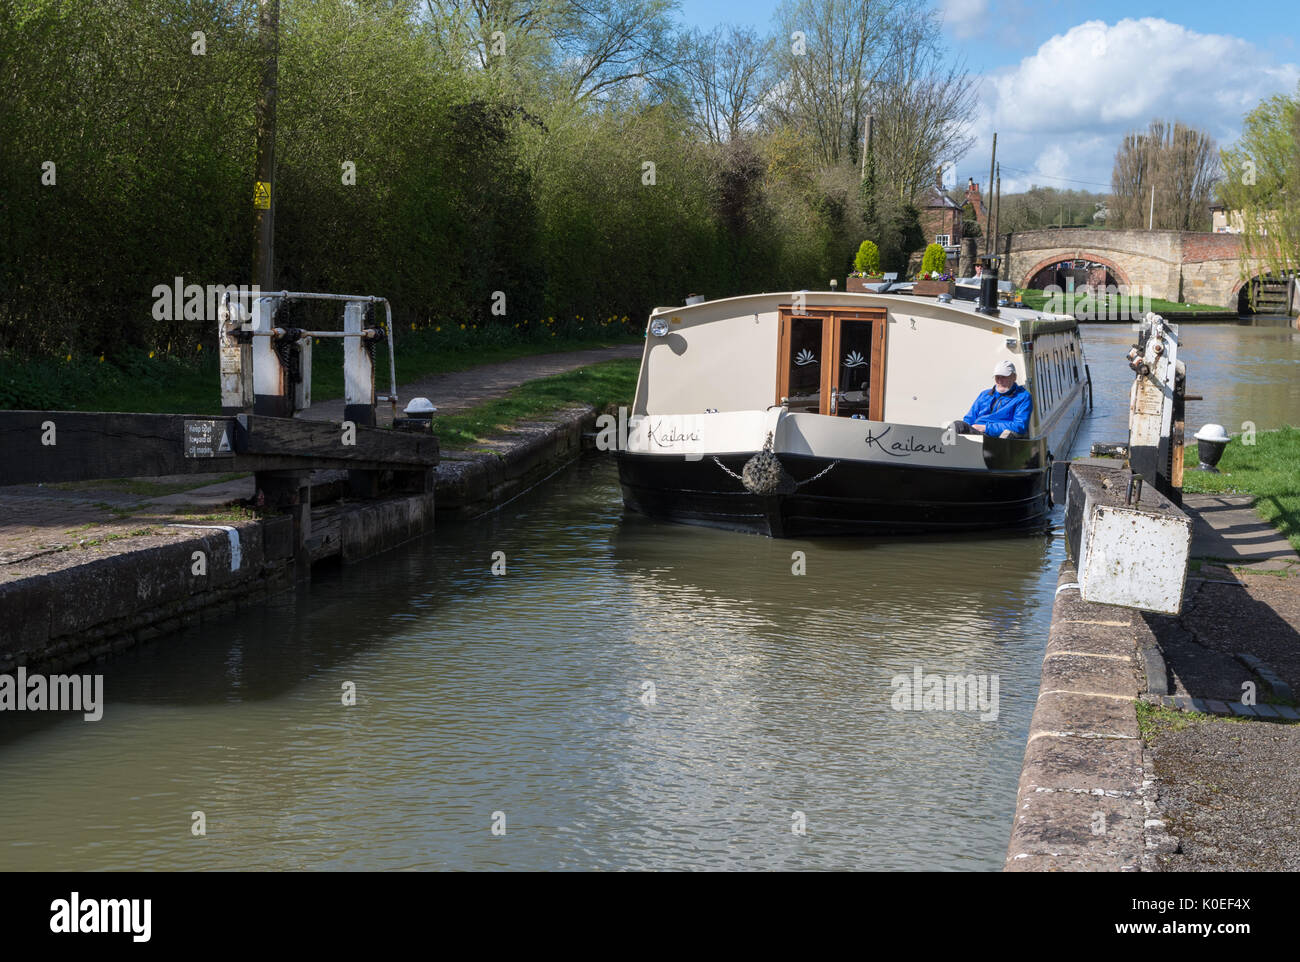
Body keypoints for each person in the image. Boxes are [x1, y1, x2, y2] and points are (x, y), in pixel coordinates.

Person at [950, 360, 1033, 437]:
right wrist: (967, 428)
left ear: (1014, 377)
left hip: (997, 438)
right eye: (997, 377)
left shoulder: (1023, 397)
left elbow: (1019, 426)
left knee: (958, 427)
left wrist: (986, 428)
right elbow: (969, 418)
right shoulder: (984, 394)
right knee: (956, 426)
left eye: (1004, 377)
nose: (1000, 381)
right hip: (976, 435)